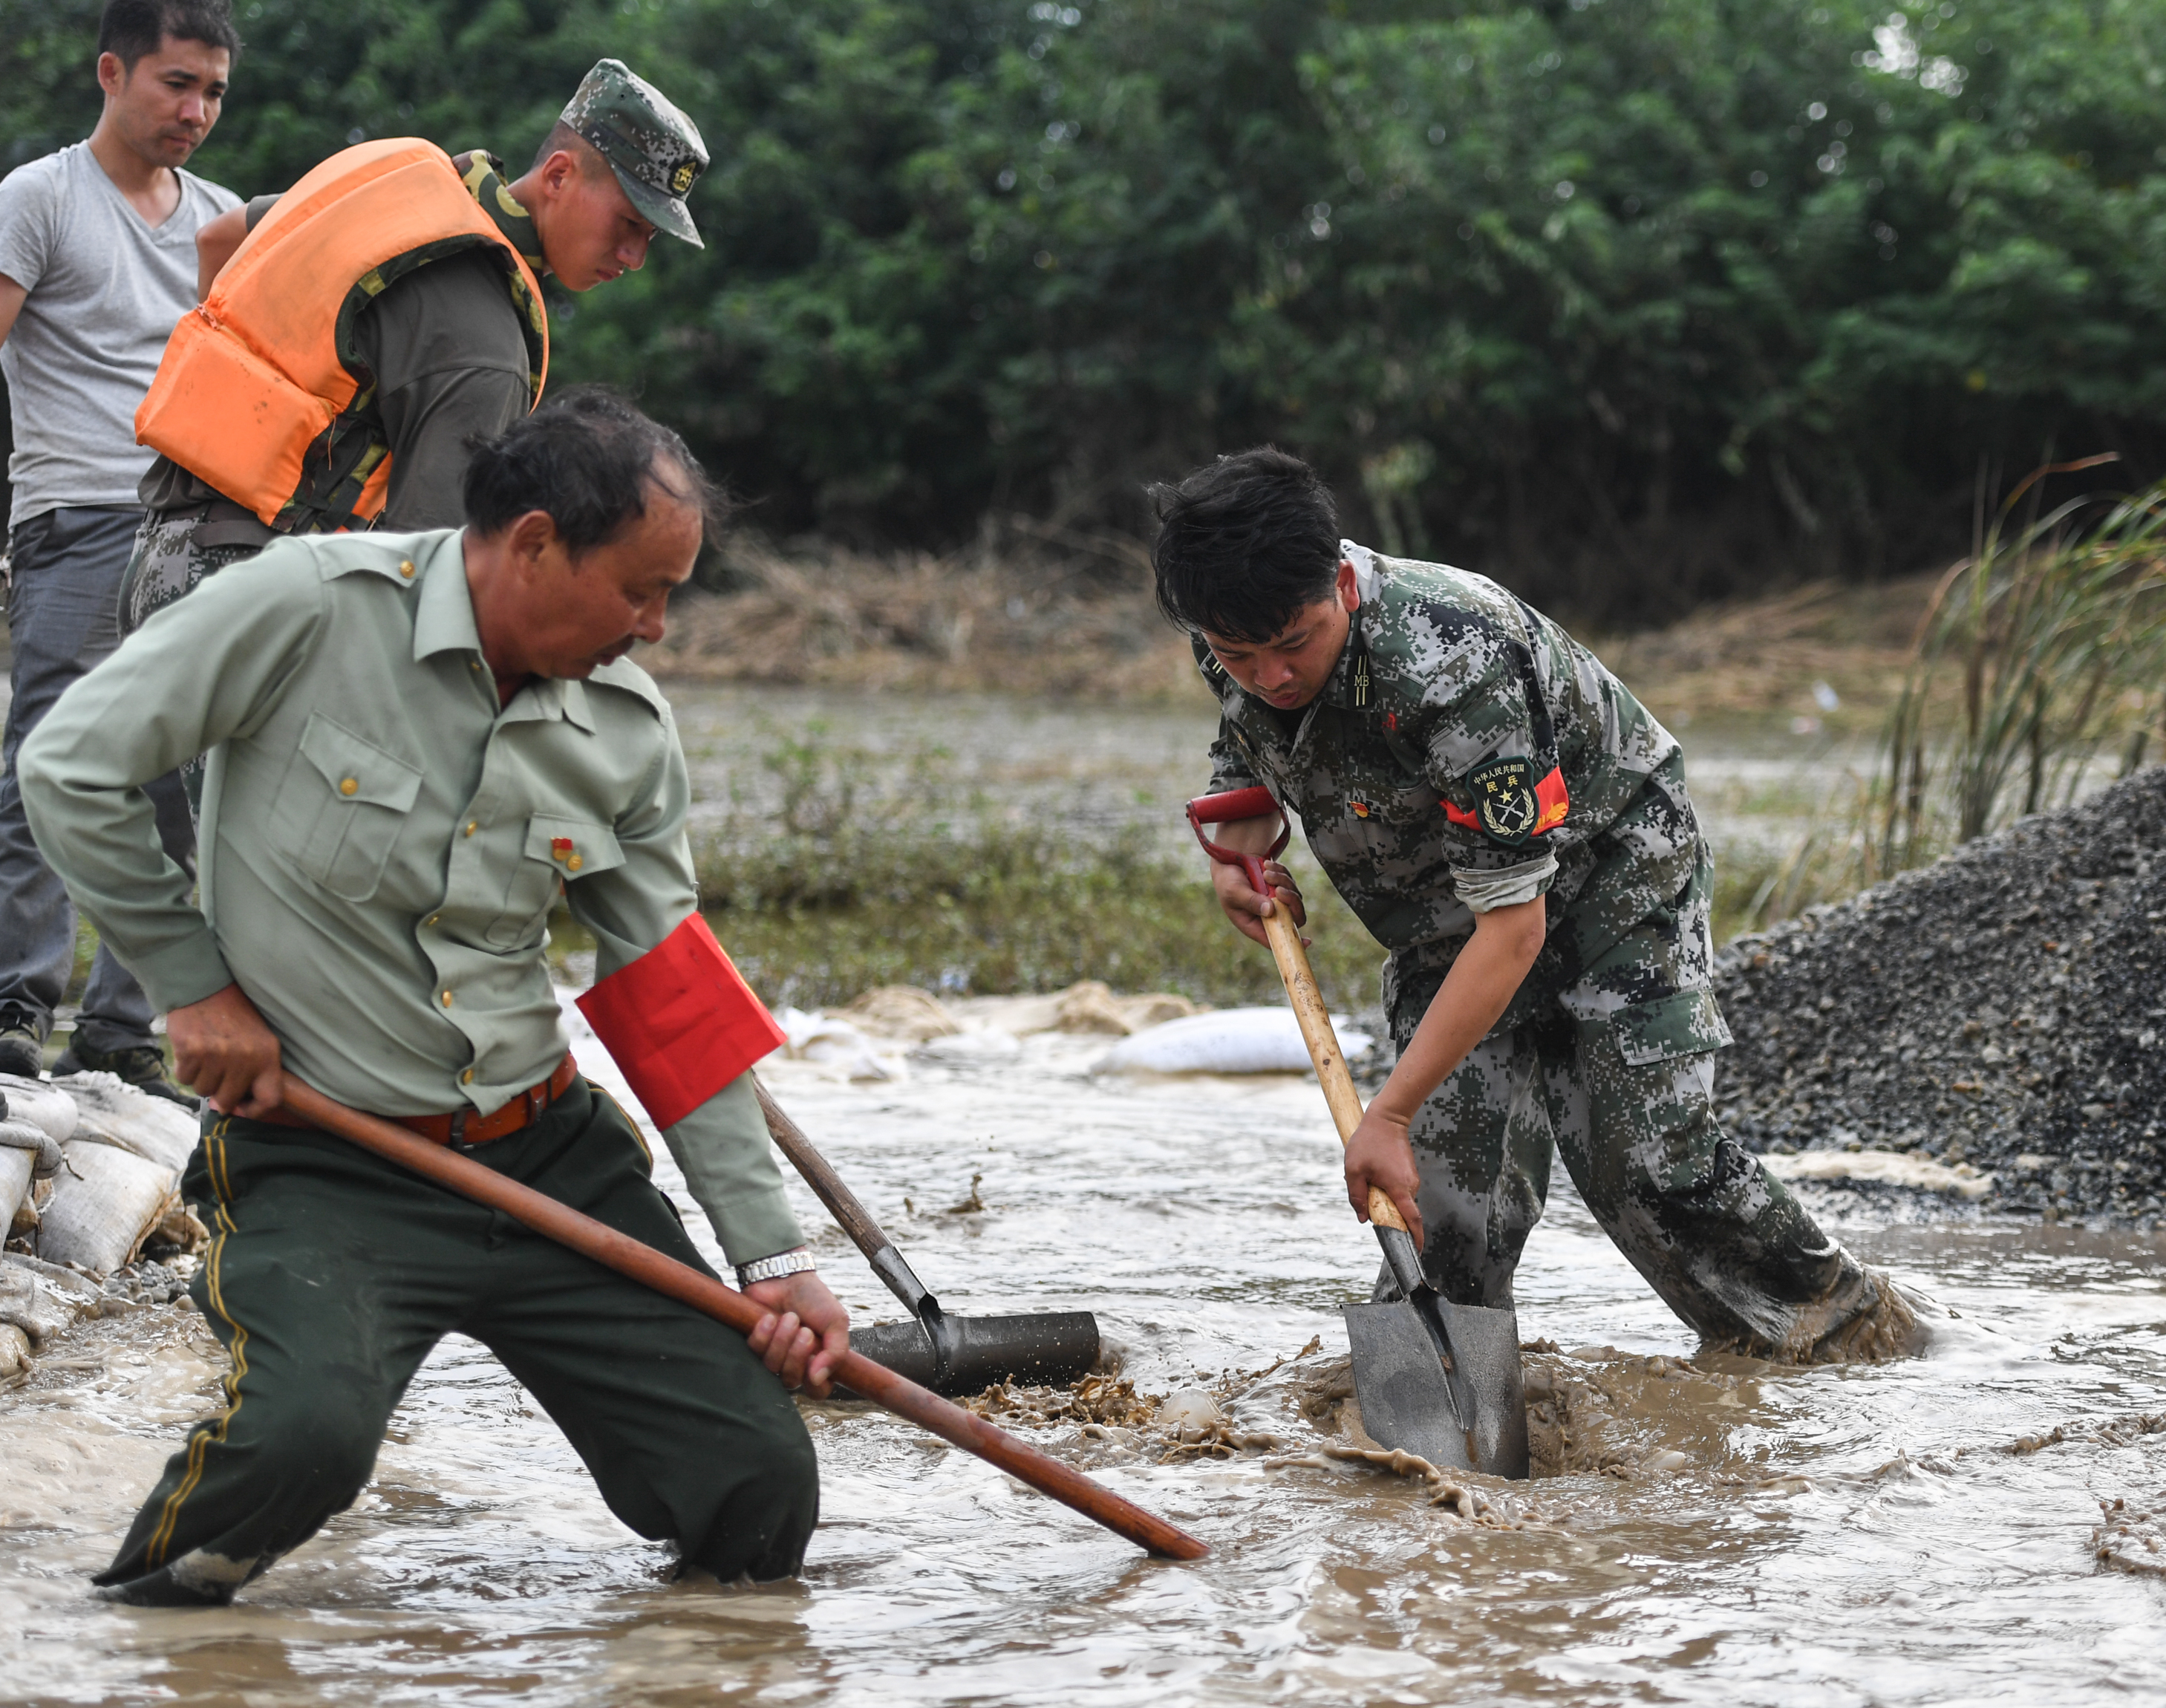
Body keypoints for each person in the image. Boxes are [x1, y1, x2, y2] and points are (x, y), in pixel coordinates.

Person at [19, 391, 847, 1606]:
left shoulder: (623, 730)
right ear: (531, 544)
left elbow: (670, 1005)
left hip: (544, 1160)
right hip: (326, 1157)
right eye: (639, 590)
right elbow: (69, 765)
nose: (660, 629)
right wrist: (191, 986)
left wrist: (770, 1257)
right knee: (298, 1450)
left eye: (673, 596)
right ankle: (159, 1634)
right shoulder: (302, 606)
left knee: (758, 1493)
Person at [1155, 447, 1922, 1363]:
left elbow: (1516, 925)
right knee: (1440, 1196)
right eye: (1240, 655)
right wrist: (1233, 844)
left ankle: (1854, 1342)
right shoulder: (1230, 630)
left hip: (1609, 879)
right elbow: (1246, 741)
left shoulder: (1452, 658)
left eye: (1295, 642)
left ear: (1342, 587)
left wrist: (1385, 1114)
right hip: (1440, 901)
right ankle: (1441, 1403)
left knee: (1646, 1163)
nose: (1272, 674)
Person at [122, 56, 706, 649]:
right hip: (252, 597)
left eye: (649, 238)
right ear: (558, 176)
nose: (634, 256)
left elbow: (216, 238)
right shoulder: (490, 349)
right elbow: (420, 571)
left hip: (158, 555)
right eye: (628, 223)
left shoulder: (391, 184)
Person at [0, 0, 241, 1095]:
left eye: (213, 92)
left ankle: (123, 1029)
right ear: (111, 72)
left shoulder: (226, 221)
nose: (195, 111)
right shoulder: (39, 200)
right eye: (175, 84)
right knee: (47, 759)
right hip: (78, 511)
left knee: (183, 782)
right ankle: (17, 1001)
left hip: (195, 521)